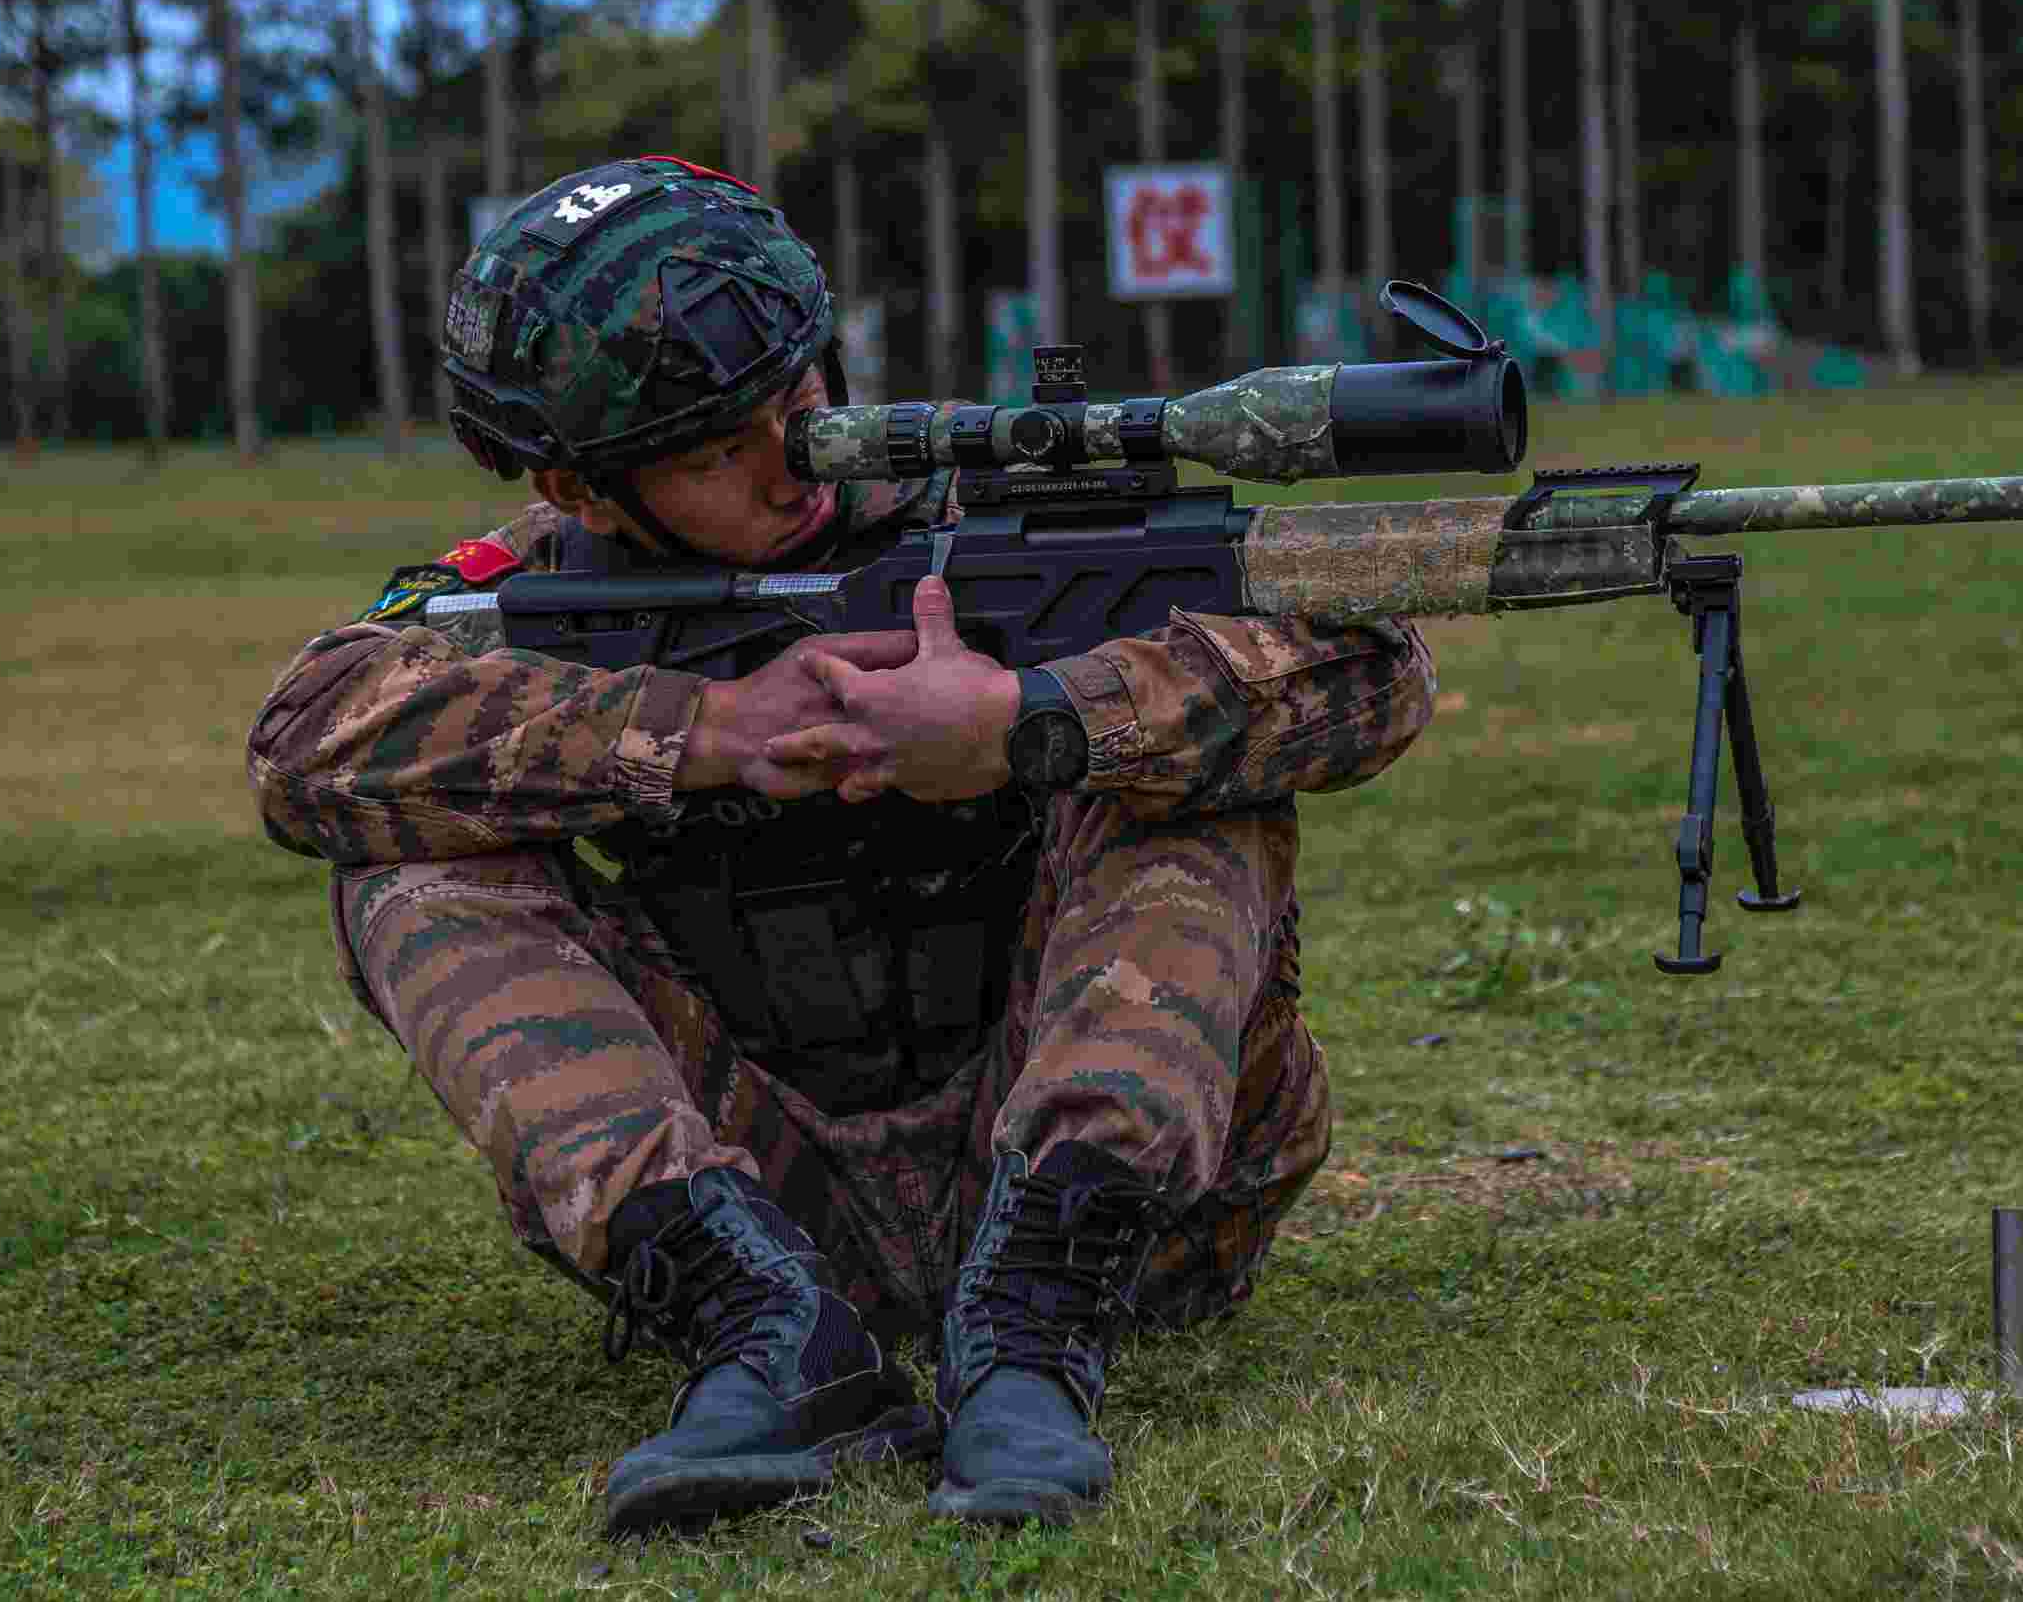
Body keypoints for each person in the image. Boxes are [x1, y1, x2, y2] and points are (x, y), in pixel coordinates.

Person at [247, 154, 1436, 1536]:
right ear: (579, 486)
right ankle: (764, 1328)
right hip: (780, 1200)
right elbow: (307, 736)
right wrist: (706, 729)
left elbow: (1373, 666)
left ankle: (1039, 1326)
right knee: (414, 865)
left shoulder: (998, 514)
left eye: (800, 403)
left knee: (1184, 775)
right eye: (712, 450)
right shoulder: (551, 585)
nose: (789, 463)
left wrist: (1030, 722)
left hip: (1129, 1218)